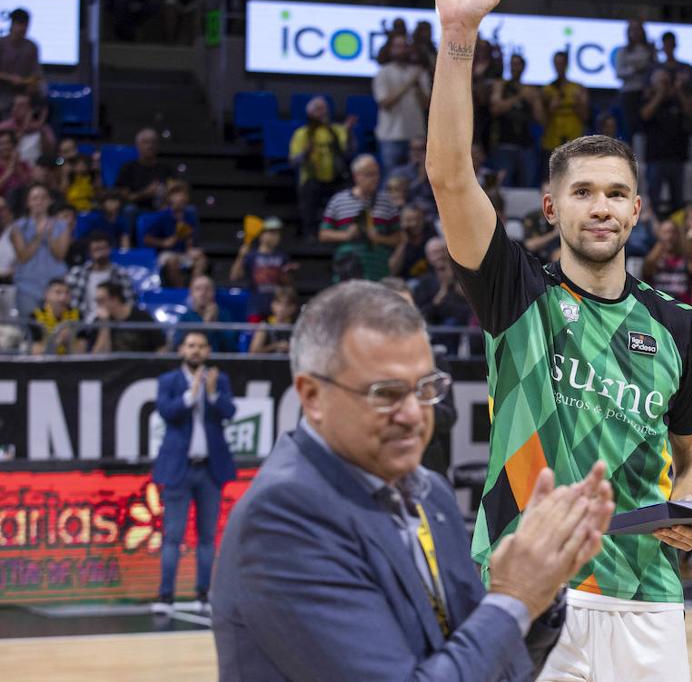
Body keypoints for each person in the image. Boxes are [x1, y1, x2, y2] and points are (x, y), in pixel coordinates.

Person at [426, 0, 692, 680]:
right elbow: (451, 177)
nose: (600, 207)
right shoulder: (516, 290)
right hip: (528, 586)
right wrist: (457, 39)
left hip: (648, 594)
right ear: (551, 209)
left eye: (616, 193)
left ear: (637, 211)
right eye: (582, 192)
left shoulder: (679, 328)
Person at [212, 281, 613, 680]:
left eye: (425, 389)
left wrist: (543, 583)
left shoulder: (430, 493)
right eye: (386, 393)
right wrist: (514, 597)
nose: (413, 414)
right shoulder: (283, 518)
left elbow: (482, 664)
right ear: (312, 396)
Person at [151, 330, 237, 614]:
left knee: (207, 537)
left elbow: (229, 412)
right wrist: (192, 395)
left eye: (201, 346)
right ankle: (166, 597)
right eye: (191, 346)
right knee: (173, 536)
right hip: (179, 468)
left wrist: (212, 394)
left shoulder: (219, 380)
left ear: (208, 350)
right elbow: (166, 411)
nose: (196, 351)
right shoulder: (169, 381)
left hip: (209, 469)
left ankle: (203, 594)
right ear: (181, 350)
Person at [320, 155, 401, 282]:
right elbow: (323, 234)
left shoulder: (387, 201)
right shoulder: (338, 200)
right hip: (348, 265)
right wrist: (346, 235)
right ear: (356, 176)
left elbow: (399, 237)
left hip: (378, 267)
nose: (375, 179)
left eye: (377, 174)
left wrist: (379, 238)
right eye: (369, 175)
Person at [290, 96, 356, 239]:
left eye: (324, 108)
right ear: (310, 113)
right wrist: (306, 153)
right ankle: (310, 233)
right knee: (308, 191)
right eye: (318, 109)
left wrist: (349, 132)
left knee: (350, 190)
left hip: (336, 177)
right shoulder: (302, 133)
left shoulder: (337, 130)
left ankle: (344, 231)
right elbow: (294, 161)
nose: (323, 112)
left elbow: (349, 152)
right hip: (313, 178)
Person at [374, 33, 432, 178]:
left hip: (416, 135)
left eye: (405, 46)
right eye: (398, 46)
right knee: (392, 178)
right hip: (391, 135)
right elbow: (385, 103)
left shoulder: (420, 73)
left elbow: (426, 105)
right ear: (391, 49)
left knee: (416, 177)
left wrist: (418, 85)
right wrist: (409, 82)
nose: (402, 50)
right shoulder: (383, 72)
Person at [640, 67, 692, 217]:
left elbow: (690, 112)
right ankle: (654, 230)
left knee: (679, 200)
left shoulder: (678, 99)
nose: (663, 83)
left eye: (666, 80)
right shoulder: (647, 98)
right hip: (656, 157)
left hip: (677, 156)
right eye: (660, 80)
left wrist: (678, 92)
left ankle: (678, 232)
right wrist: (659, 94)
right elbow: (645, 115)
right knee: (654, 199)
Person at [11, 184, 70, 315]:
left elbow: (60, 255)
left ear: (49, 201)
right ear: (28, 202)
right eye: (35, 198)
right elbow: (23, 257)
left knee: (55, 329)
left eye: (43, 198)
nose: (39, 202)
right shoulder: (17, 227)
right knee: (30, 331)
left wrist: (49, 236)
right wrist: (38, 235)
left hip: (55, 286)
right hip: (27, 287)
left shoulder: (61, 225)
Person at [489, 53, 545, 188]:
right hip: (505, 143)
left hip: (525, 145)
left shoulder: (530, 90)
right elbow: (495, 109)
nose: (516, 67)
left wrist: (534, 101)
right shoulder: (501, 86)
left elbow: (541, 119)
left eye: (518, 64)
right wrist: (519, 97)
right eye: (513, 64)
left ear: (523, 67)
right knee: (503, 185)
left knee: (526, 187)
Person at [229, 216, 294, 320]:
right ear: (261, 235)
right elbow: (234, 276)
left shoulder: (282, 257)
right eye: (272, 233)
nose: (276, 237)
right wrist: (241, 256)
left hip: (277, 310)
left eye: (278, 233)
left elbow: (288, 285)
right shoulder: (251, 256)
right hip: (256, 308)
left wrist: (286, 274)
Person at [66, 232, 134, 321]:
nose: (101, 253)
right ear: (90, 252)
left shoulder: (121, 274)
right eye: (97, 249)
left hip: (113, 323)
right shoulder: (77, 273)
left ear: (110, 249)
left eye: (104, 248)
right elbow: (68, 302)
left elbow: (129, 302)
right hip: (82, 324)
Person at [91, 281, 165, 353]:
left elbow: (162, 347)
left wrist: (156, 364)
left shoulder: (142, 317)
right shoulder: (99, 321)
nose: (98, 305)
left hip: (142, 364)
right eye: (97, 301)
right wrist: (105, 324)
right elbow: (98, 358)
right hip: (114, 365)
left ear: (115, 299)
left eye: (101, 300)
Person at [540, 51, 589, 158]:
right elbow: (542, 120)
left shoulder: (578, 88)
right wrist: (551, 108)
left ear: (567, 65)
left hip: (574, 140)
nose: (559, 67)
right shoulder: (547, 90)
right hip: (552, 140)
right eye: (557, 64)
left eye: (562, 63)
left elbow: (585, 117)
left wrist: (578, 104)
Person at [116, 128, 174, 214]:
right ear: (137, 145)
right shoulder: (128, 168)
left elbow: (175, 191)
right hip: (137, 208)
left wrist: (166, 198)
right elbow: (124, 198)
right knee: (129, 210)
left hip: (162, 208)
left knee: (188, 209)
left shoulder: (166, 169)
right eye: (145, 142)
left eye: (153, 142)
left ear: (158, 146)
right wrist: (145, 194)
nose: (150, 146)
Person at [179, 274, 237, 353]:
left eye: (207, 289)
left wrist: (215, 323)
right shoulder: (185, 317)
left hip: (221, 361)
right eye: (198, 289)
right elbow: (178, 346)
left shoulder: (224, 315)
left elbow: (232, 347)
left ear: (213, 292)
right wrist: (206, 324)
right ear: (191, 293)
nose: (203, 293)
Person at [0, 8, 43, 115]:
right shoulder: (2, 44)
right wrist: (10, 78)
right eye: (20, 24)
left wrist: (30, 83)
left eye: (25, 25)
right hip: (3, 91)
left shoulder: (32, 47)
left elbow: (36, 73)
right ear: (12, 24)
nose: (22, 29)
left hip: (24, 92)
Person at [29, 278, 82, 355]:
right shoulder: (35, 316)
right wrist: (59, 341)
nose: (63, 298)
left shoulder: (78, 315)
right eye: (58, 292)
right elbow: (36, 354)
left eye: (67, 293)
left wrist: (69, 343)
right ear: (46, 294)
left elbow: (82, 353)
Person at [0, 94, 55, 165]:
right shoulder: (4, 127)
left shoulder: (43, 129)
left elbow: (50, 153)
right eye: (14, 105)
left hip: (35, 168)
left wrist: (40, 129)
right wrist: (25, 128)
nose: (15, 108)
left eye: (20, 106)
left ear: (31, 109)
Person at [390, 204, 437, 279]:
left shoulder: (431, 234)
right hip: (407, 282)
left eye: (418, 219)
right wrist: (403, 243)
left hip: (431, 278)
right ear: (402, 222)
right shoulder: (396, 239)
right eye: (409, 220)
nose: (414, 223)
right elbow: (392, 270)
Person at [248, 285, 298, 354]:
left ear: (293, 308)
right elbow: (253, 353)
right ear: (272, 304)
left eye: (286, 305)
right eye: (279, 303)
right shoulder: (265, 325)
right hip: (267, 364)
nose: (282, 309)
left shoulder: (297, 326)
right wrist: (275, 346)